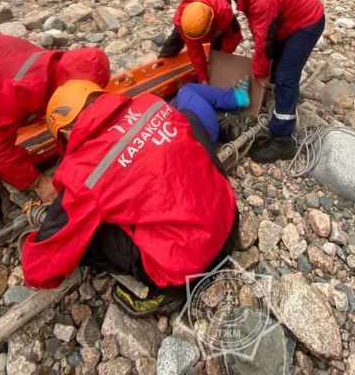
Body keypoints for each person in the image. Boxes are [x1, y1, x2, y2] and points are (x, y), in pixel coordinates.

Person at [21, 79, 238, 317]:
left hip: (190, 269)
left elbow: (41, 266)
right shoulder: (151, 104)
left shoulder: (83, 172)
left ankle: (166, 291)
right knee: (187, 120)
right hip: (229, 221)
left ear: (65, 133)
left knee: (87, 231)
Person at [0, 34, 110, 236]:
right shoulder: (20, 89)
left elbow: (63, 121)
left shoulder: (65, 67)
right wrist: (39, 182)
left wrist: (71, 162)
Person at [212, 0, 325, 163]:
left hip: (306, 22)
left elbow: (263, 41)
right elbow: (265, 38)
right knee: (274, 66)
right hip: (286, 20)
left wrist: (260, 72)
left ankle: (283, 139)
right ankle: (275, 99)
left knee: (286, 76)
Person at [158, 0, 243, 83]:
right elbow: (194, 51)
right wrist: (202, 77)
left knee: (218, 46)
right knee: (176, 39)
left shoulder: (224, 12)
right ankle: (160, 66)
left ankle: (214, 63)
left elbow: (234, 38)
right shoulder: (181, 19)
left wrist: (220, 58)